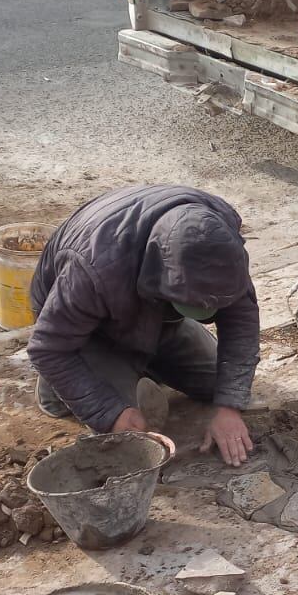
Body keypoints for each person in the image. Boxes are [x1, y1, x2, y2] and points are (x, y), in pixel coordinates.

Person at [27, 185, 260, 467]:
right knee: (130, 432)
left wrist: (229, 408)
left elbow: (241, 319)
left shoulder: (221, 243)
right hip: (89, 331)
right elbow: (48, 348)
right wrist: (110, 413)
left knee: (222, 383)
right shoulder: (91, 268)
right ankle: (56, 388)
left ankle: (144, 360)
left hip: (158, 316)